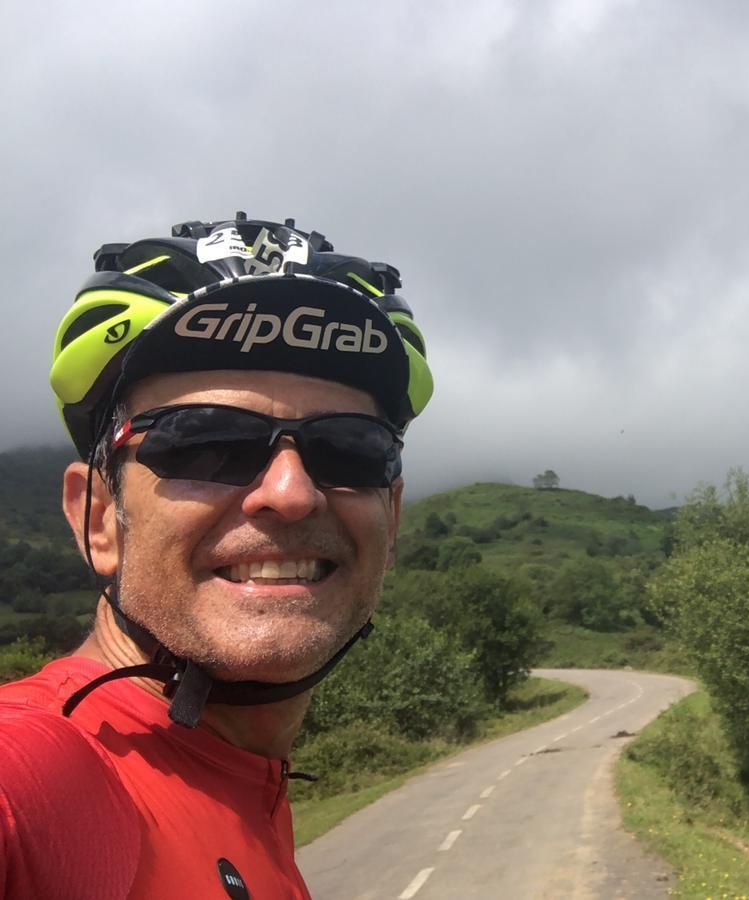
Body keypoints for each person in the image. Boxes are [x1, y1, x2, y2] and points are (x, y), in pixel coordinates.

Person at [0, 214, 433, 899]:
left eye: (349, 450)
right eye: (206, 443)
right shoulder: (34, 776)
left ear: (393, 514)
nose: (291, 493)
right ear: (99, 520)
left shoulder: (251, 788)